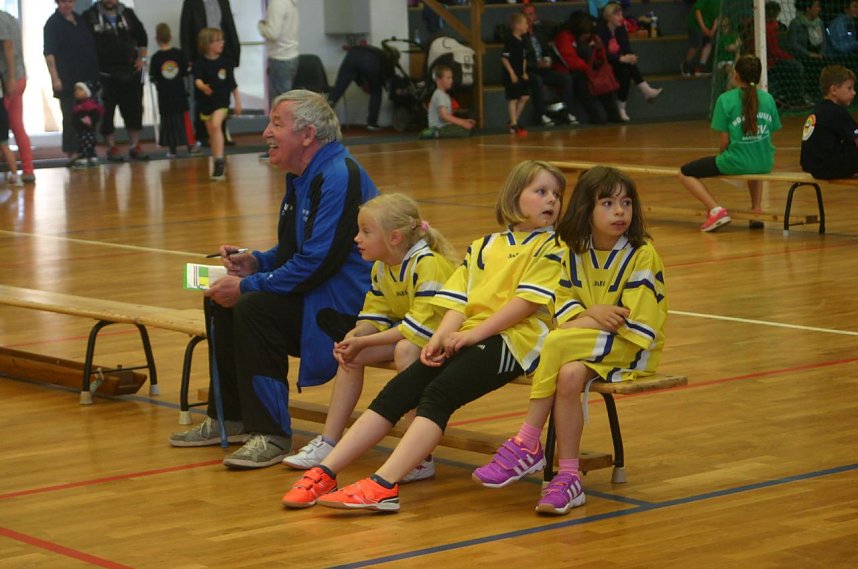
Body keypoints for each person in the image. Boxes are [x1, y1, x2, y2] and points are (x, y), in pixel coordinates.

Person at [282, 159, 566, 512]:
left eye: (556, 194)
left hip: (517, 341)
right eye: (541, 192)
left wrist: (470, 335)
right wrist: (441, 335)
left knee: (439, 394)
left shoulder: (555, 248)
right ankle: (326, 471)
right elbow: (458, 299)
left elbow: (523, 306)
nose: (551, 200)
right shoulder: (485, 245)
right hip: (468, 335)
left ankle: (384, 484)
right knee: (401, 389)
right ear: (514, 196)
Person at [169, 90, 380, 470]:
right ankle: (229, 418)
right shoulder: (302, 177)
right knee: (220, 296)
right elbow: (292, 250)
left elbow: (319, 262)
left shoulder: (338, 175)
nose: (266, 132)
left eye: (276, 124)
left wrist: (249, 286)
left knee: (253, 307)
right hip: (316, 292)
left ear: (307, 135)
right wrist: (255, 263)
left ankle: (270, 433)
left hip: (346, 308)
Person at [472, 166, 667, 515]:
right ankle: (569, 477)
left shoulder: (642, 254)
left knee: (555, 344)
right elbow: (565, 309)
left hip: (633, 345)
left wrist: (587, 319)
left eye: (626, 202)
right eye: (607, 203)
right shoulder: (573, 251)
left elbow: (633, 321)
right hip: (588, 340)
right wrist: (593, 315)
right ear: (586, 210)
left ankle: (527, 441)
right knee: (569, 374)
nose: (620, 211)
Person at [283, 193, 458, 479]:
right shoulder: (381, 267)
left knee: (405, 349)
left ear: (395, 237)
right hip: (419, 339)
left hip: (452, 339)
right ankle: (329, 441)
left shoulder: (428, 265)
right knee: (355, 354)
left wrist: (364, 340)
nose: (356, 238)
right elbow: (374, 315)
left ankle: (420, 457)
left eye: (365, 231)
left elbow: (416, 328)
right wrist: (355, 336)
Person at [678, 55, 782, 232]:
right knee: (753, 164)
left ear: (735, 75)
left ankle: (715, 209)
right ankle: (756, 209)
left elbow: (724, 141)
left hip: (736, 161)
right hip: (764, 162)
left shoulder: (725, 100)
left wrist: (723, 156)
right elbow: (771, 132)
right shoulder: (768, 99)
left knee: (685, 173)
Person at [82, 0, 149, 162]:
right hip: (105, 74)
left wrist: (143, 59)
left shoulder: (128, 14)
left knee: (134, 109)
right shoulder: (89, 16)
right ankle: (111, 147)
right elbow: (83, 44)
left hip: (130, 72)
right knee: (106, 112)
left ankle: (135, 146)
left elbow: (142, 37)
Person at [43, 0, 101, 166]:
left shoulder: (81, 19)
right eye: (62, 2)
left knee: (90, 114)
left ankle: (88, 149)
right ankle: (72, 152)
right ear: (57, 3)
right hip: (67, 78)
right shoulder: (52, 24)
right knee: (70, 116)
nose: (66, 5)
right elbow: (49, 53)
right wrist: (55, 78)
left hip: (88, 76)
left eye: (69, 1)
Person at [180, 0, 241, 148]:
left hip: (222, 54)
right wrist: (188, 58)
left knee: (222, 93)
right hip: (201, 55)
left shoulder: (223, 1)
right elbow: (185, 30)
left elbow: (229, 25)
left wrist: (235, 51)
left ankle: (222, 132)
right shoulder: (191, 3)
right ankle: (202, 135)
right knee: (203, 96)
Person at [597, 2, 663, 121]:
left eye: (621, 14)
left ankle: (622, 107)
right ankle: (645, 90)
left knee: (626, 73)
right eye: (617, 15)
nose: (621, 17)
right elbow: (602, 53)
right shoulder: (601, 30)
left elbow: (625, 46)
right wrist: (620, 58)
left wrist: (631, 56)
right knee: (626, 68)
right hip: (605, 63)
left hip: (619, 62)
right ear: (609, 17)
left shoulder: (621, 29)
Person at [553, 11, 621, 124]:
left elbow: (599, 55)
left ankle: (613, 114)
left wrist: (598, 49)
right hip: (568, 71)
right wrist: (588, 69)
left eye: (589, 33)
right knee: (582, 80)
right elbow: (570, 60)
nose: (587, 35)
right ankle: (594, 115)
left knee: (601, 81)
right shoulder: (564, 37)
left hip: (586, 68)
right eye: (585, 33)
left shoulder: (591, 37)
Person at [194, 28, 242, 180]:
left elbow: (233, 85)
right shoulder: (200, 62)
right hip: (206, 103)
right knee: (213, 134)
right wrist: (202, 86)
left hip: (221, 102)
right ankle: (216, 161)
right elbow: (197, 79)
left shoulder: (226, 62)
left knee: (216, 125)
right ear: (207, 44)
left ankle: (220, 161)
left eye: (222, 40)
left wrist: (238, 102)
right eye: (218, 40)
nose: (222, 43)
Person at [521, 2, 578, 126]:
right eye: (525, 15)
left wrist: (548, 59)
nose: (528, 18)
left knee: (566, 79)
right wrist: (536, 64)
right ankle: (541, 115)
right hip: (529, 71)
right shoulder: (519, 35)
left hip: (544, 69)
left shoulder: (540, 31)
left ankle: (569, 112)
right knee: (537, 80)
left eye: (531, 14)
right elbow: (520, 58)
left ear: (535, 16)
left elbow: (547, 49)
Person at [258, 0, 299, 160]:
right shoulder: (291, 2)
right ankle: (286, 148)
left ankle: (281, 149)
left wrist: (260, 26)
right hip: (291, 55)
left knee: (281, 110)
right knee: (285, 108)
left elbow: (272, 33)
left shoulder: (277, 3)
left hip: (280, 57)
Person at [800, 65, 858, 179]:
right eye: (849, 88)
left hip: (812, 167)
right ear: (834, 90)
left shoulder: (818, 110)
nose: (854, 93)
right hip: (829, 167)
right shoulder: (837, 112)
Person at [150, 23, 196, 158]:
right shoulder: (179, 54)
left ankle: (172, 149)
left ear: (156, 38)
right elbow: (185, 73)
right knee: (184, 119)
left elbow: (153, 78)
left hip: (164, 96)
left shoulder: (156, 57)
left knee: (168, 121)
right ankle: (190, 146)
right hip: (179, 94)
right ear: (170, 36)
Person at [0, 9, 34, 184]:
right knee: (16, 125)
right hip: (18, 77)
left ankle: (18, 172)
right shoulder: (10, 17)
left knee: (6, 129)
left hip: (10, 80)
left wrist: (10, 79)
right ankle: (27, 170)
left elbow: (8, 47)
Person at [328, 45, 396, 131]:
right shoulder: (387, 60)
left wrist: (361, 84)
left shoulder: (375, 50)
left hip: (352, 55)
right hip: (370, 61)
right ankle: (372, 124)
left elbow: (356, 72)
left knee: (337, 91)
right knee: (376, 92)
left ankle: (317, 121)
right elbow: (386, 80)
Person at [762, 2, 810, 108]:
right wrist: (788, 57)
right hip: (771, 61)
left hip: (772, 59)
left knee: (795, 64)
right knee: (797, 66)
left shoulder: (772, 26)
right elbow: (774, 51)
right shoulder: (769, 28)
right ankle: (796, 99)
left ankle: (789, 97)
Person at [419, 64, 476, 139]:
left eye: (451, 78)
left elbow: (448, 117)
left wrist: (464, 121)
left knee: (466, 129)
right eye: (448, 78)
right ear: (438, 80)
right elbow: (444, 116)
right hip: (439, 127)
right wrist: (462, 123)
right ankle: (434, 133)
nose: (451, 80)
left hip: (445, 126)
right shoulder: (439, 95)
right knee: (465, 130)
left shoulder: (446, 95)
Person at [501, 13, 531, 135]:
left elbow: (524, 58)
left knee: (524, 96)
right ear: (518, 25)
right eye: (525, 23)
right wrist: (511, 73)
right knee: (513, 98)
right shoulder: (510, 40)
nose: (527, 26)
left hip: (520, 73)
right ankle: (513, 124)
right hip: (511, 74)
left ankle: (514, 120)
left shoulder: (523, 40)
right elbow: (504, 58)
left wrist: (524, 72)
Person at [681, 0, 720, 76]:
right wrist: (703, 27)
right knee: (696, 45)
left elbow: (717, 16)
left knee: (708, 44)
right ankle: (686, 63)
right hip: (696, 25)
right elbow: (697, 11)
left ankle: (701, 66)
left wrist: (713, 29)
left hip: (709, 25)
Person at [71, 82, 104, 169]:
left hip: (88, 131)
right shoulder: (77, 106)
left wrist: (90, 121)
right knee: (82, 143)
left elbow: (96, 116)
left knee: (88, 144)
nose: (76, 92)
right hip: (80, 131)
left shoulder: (91, 107)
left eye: (80, 89)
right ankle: (89, 157)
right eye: (76, 90)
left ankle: (86, 158)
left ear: (87, 92)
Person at [0, 82, 19, 185]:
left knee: (4, 147)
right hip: (2, 114)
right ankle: (15, 175)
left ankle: (15, 175)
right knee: (4, 146)